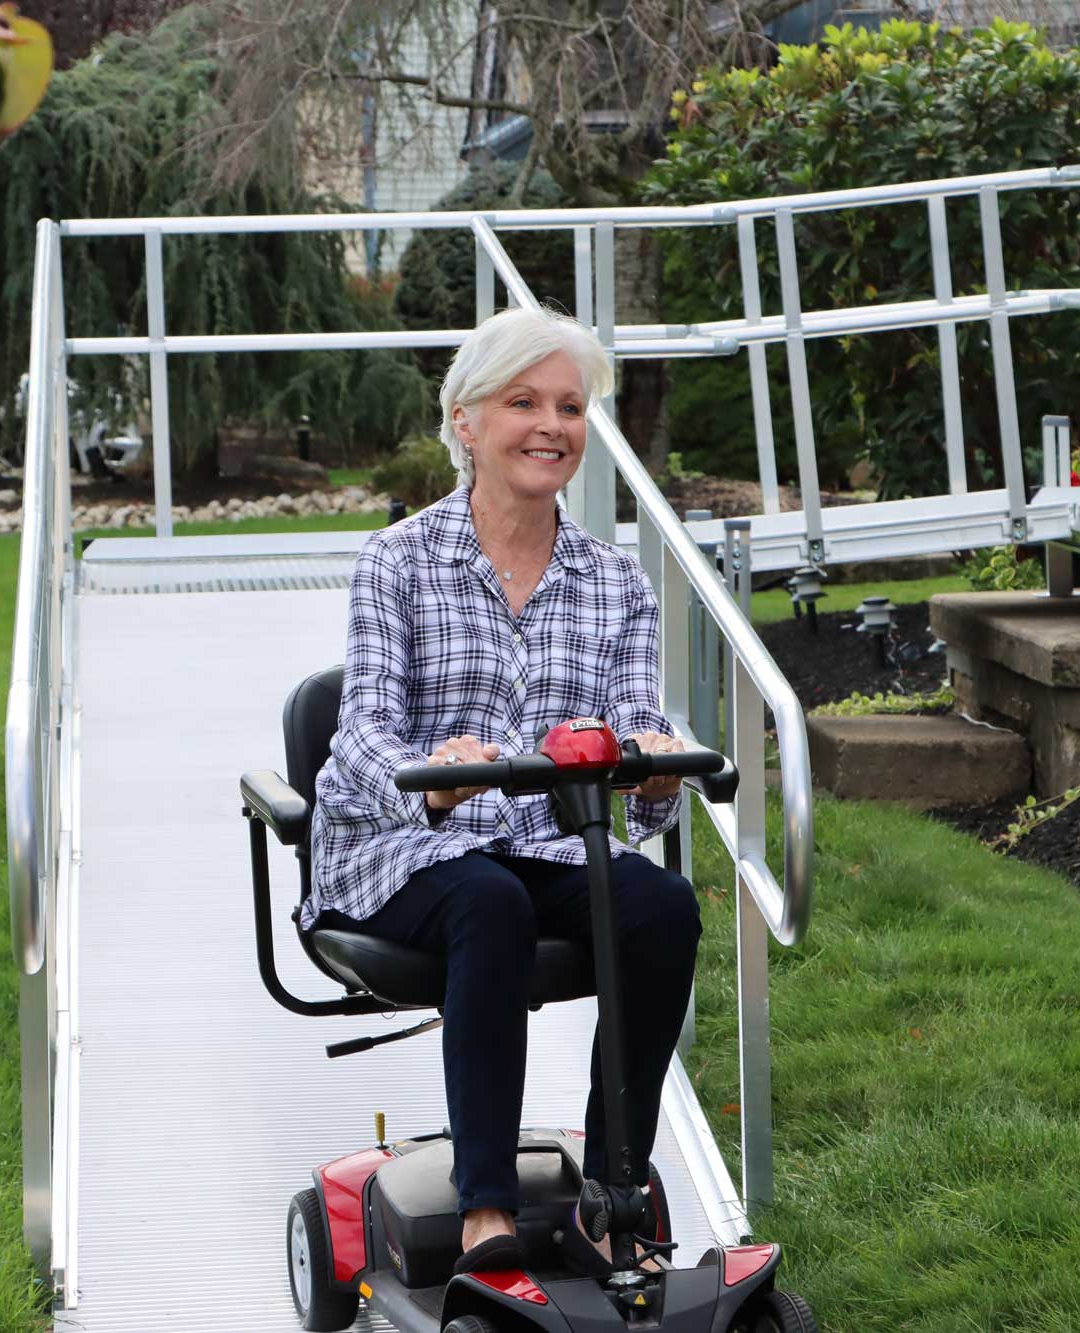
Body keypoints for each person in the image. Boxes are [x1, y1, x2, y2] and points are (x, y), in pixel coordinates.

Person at [308, 306, 701, 1279]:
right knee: (487, 896)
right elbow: (358, 730)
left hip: (545, 840)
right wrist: (431, 784)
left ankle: (615, 1185)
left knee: (659, 904)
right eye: (522, 401)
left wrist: (649, 764)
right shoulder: (396, 560)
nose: (549, 425)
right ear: (464, 420)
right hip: (403, 848)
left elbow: (633, 750)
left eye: (568, 406)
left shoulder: (617, 584)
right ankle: (485, 1208)